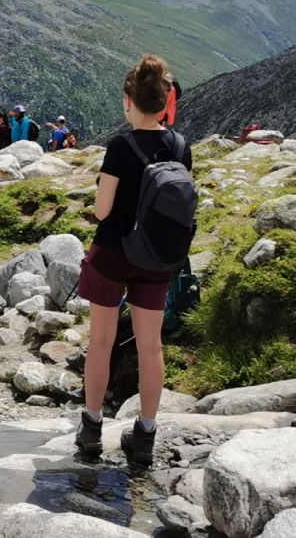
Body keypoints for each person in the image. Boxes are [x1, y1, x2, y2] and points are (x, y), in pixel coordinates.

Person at [75, 55, 193, 469]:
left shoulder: (121, 146)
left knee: (102, 341)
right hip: (157, 259)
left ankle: (91, 429)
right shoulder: (180, 145)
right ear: (164, 101)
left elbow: (103, 211)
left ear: (129, 101)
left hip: (113, 254)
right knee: (150, 346)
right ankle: (144, 434)